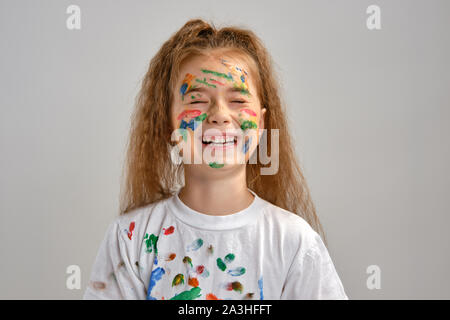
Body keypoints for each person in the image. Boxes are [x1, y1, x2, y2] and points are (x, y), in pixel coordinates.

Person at [83, 19, 348, 300]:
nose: (219, 114)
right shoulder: (132, 238)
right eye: (196, 100)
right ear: (166, 125)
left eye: (238, 100)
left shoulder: (293, 242)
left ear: (261, 125)